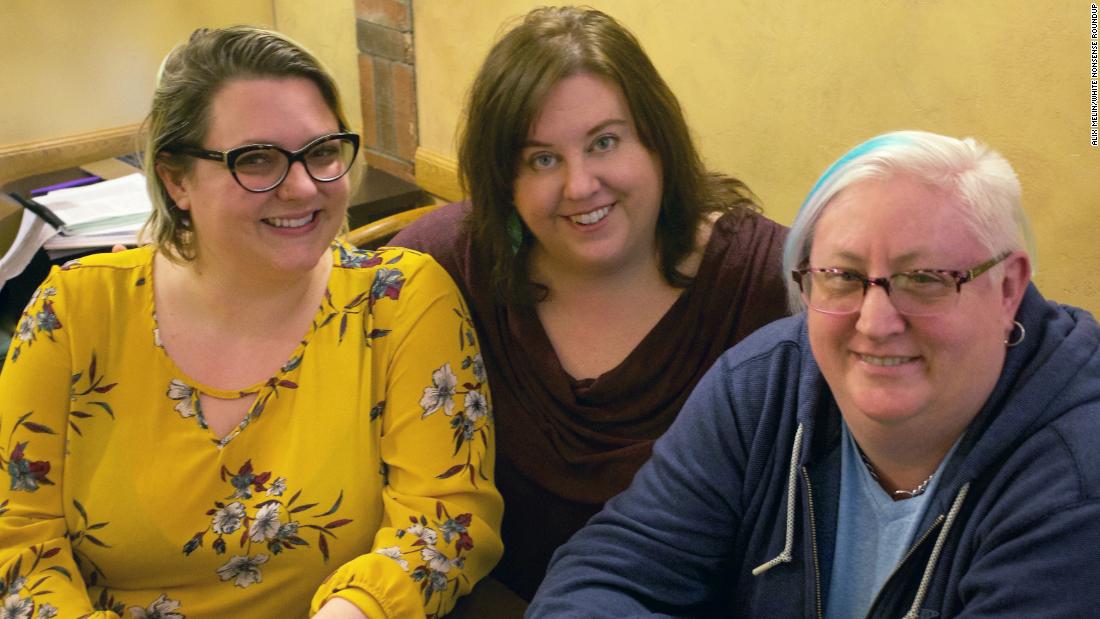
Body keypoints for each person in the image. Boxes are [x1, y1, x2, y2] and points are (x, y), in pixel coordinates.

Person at [0, 26, 502, 619]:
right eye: (256, 160)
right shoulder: (75, 310)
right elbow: (18, 544)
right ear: (177, 180)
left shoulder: (398, 301)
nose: (302, 186)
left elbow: (444, 523)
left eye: (322, 152)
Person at [527, 130, 1100, 617]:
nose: (875, 323)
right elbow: (608, 574)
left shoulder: (1077, 478)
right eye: (843, 277)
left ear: (1008, 287)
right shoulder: (761, 387)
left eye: (924, 279)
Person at [390, 6, 789, 599]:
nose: (580, 185)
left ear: (658, 142)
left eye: (605, 142)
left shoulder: (766, 285)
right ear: (505, 181)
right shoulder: (444, 269)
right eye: (542, 159)